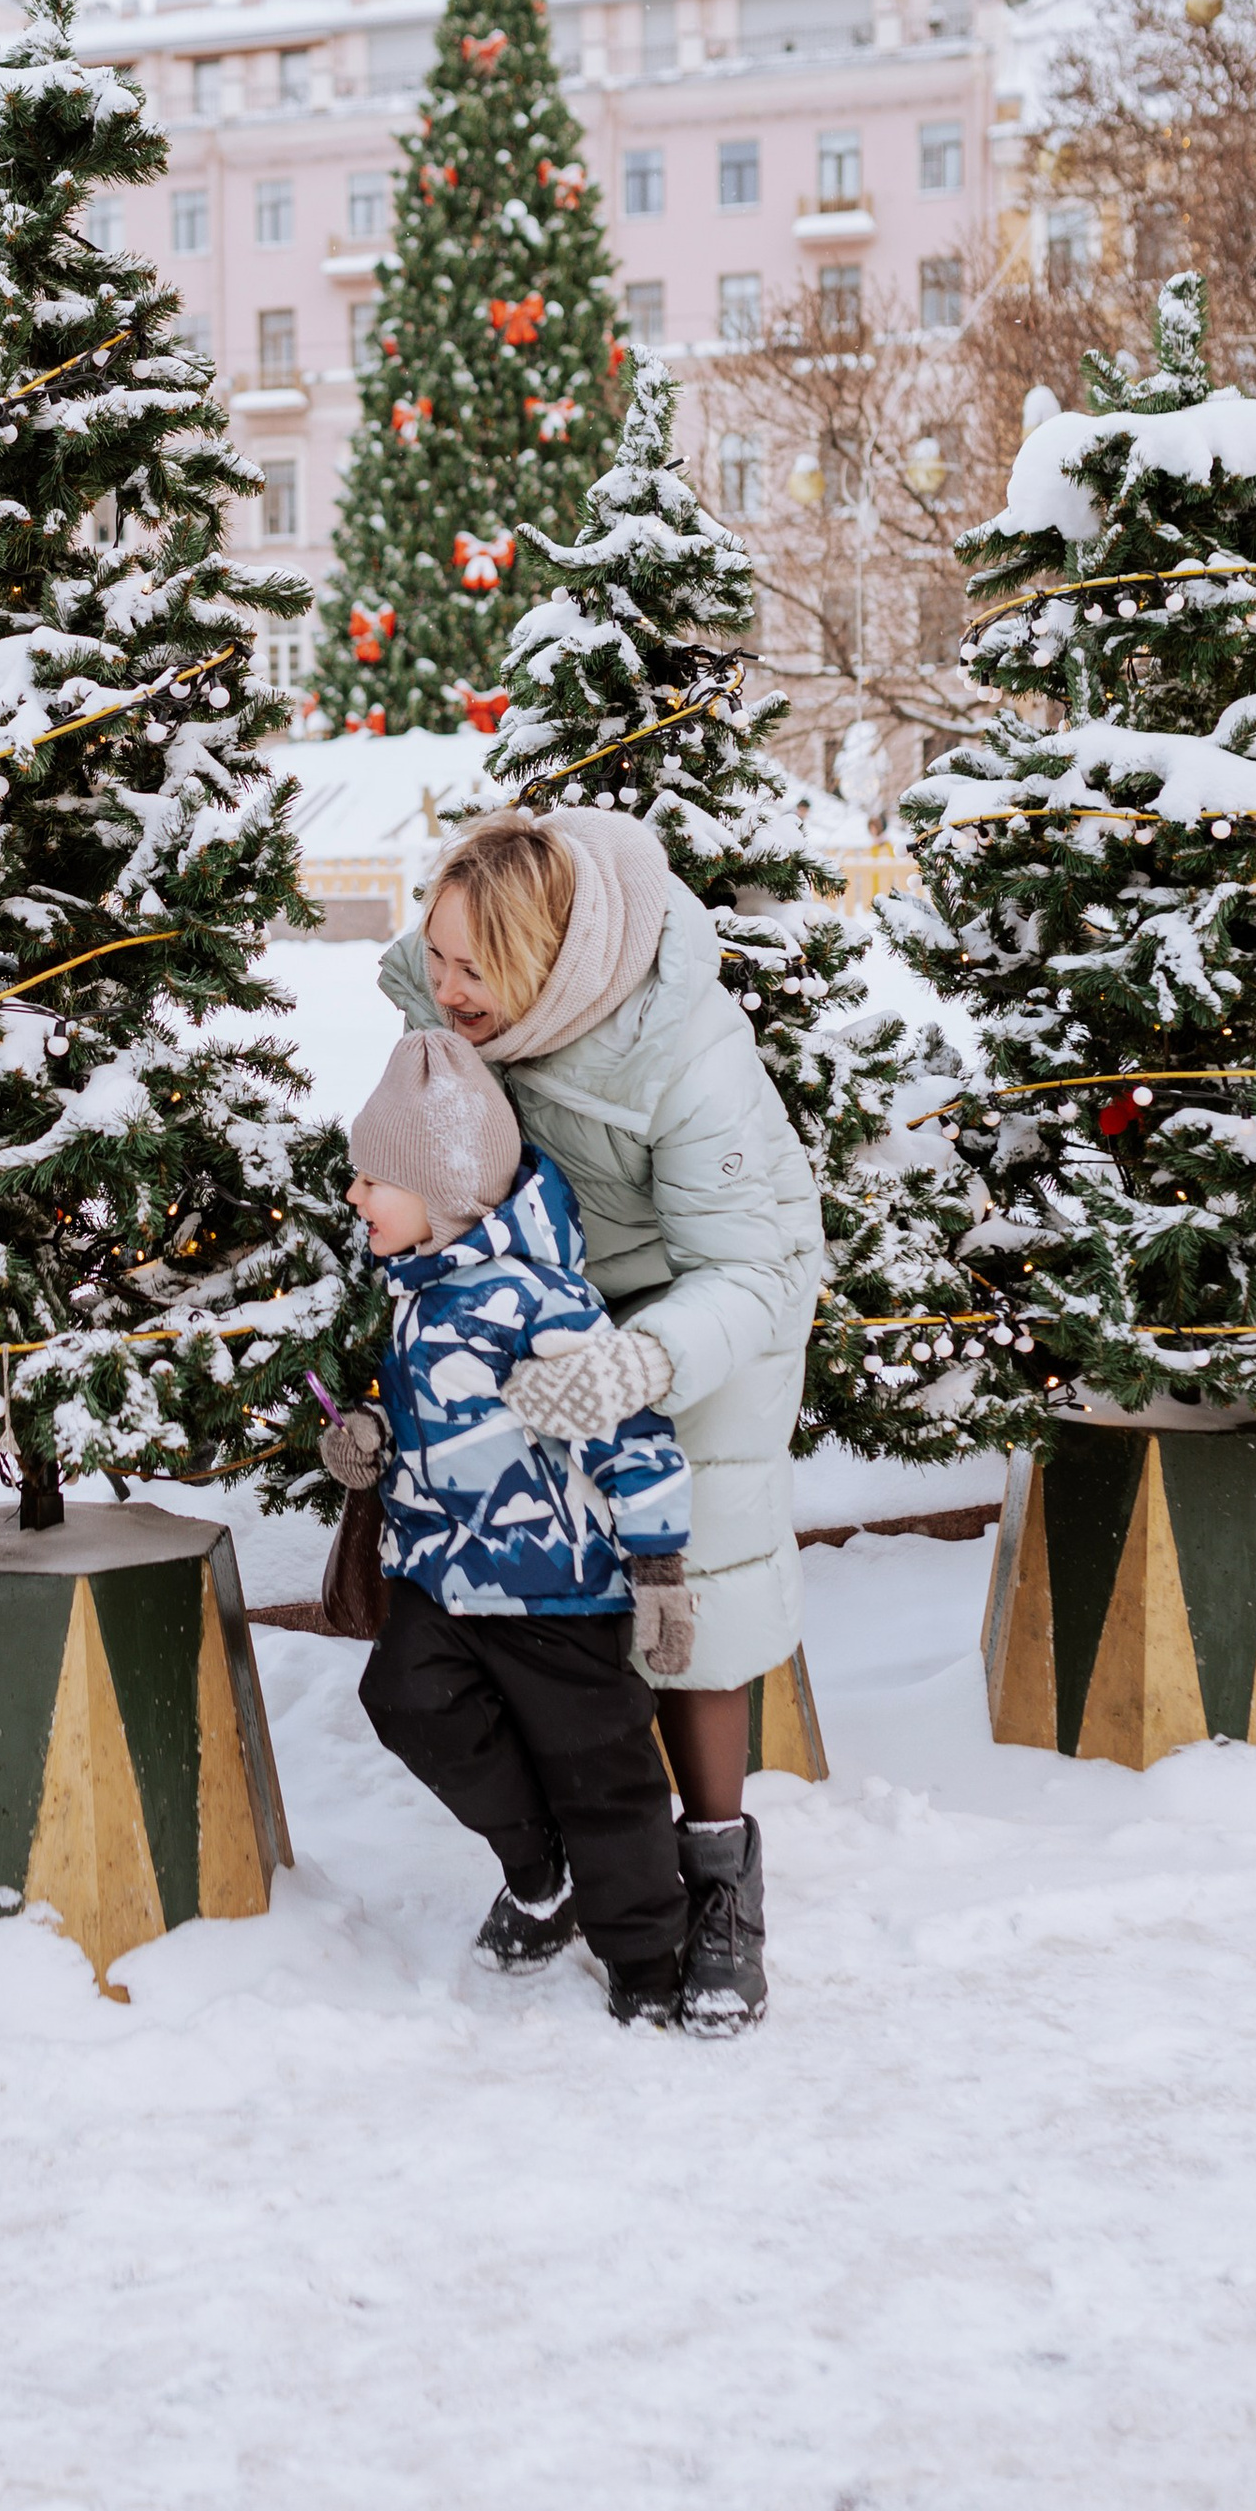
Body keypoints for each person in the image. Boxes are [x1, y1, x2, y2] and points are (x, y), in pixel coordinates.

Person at [377, 807, 825, 2029]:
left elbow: (752, 1268)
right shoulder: (444, 997)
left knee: (696, 1585)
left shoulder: (684, 1053)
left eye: (474, 970)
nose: (445, 990)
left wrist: (642, 1363)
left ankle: (720, 1879)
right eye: (437, 956)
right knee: (546, 1593)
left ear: (546, 961)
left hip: (710, 1301)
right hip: (542, 1297)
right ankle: (569, 1862)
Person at [338, 1028, 696, 2025]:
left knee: (603, 1776)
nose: (356, 1197)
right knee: (406, 1699)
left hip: (556, 1585)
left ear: (444, 1190)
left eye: (374, 1180)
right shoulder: (416, 1291)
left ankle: (648, 1965)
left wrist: (659, 1565)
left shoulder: (543, 1300)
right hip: (441, 1576)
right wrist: (372, 1434)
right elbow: (440, 1418)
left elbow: (627, 1428)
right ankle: (542, 1874)